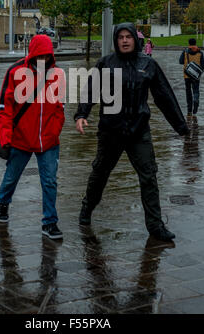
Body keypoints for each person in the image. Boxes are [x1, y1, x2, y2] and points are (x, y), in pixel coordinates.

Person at [75, 22, 189, 242]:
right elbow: (90, 90)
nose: (125, 40)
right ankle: (86, 209)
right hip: (111, 131)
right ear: (116, 40)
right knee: (99, 174)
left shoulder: (148, 65)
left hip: (139, 131)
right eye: (120, 37)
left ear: (135, 40)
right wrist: (81, 115)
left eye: (128, 37)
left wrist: (180, 126)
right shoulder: (105, 64)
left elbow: (164, 96)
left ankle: (156, 225)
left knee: (149, 176)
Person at [0, 34, 65, 240]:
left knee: (50, 181)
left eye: (47, 56)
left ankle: (50, 222)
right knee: (11, 178)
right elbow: (4, 109)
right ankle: (3, 203)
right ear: (33, 54)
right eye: (39, 55)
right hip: (21, 139)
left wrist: (55, 129)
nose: (43, 60)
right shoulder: (15, 72)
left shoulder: (57, 74)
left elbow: (60, 107)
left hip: (49, 140)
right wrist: (6, 138)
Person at [179, 38, 204, 116]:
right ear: (195, 43)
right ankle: (196, 100)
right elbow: (203, 65)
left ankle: (189, 109)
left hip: (187, 75)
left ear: (189, 43)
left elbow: (180, 62)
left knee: (188, 92)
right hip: (196, 76)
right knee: (196, 90)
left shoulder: (185, 51)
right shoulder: (200, 52)